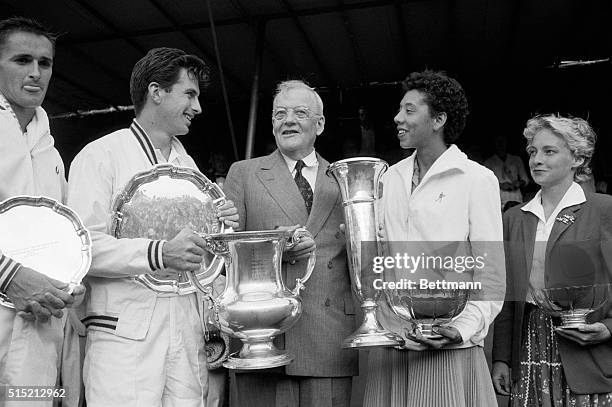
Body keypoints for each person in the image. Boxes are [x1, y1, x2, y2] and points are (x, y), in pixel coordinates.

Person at [67, 47, 239, 407]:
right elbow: (82, 248)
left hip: (186, 330)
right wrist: (160, 253)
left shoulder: (188, 166)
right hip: (125, 332)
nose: (198, 107)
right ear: (156, 92)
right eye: (189, 94)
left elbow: (201, 256)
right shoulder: (101, 155)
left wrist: (221, 230)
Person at [363, 70, 505, 407]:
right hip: (397, 343)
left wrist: (463, 327)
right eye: (400, 109)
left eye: (410, 110)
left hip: (452, 345)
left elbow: (492, 272)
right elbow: (379, 262)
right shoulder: (388, 178)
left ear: (439, 119)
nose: (398, 118)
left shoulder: (477, 179)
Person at [223, 80, 358, 407]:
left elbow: (363, 257)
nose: (289, 120)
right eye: (280, 114)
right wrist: (275, 248)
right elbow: (223, 254)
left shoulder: (345, 178)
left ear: (320, 124)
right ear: (271, 123)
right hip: (263, 335)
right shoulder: (243, 173)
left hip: (327, 335)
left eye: (300, 113)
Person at [492, 114, 612, 406]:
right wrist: (501, 358)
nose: (536, 160)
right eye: (533, 152)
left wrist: (609, 326)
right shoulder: (514, 218)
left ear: (576, 158)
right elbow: (510, 295)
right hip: (529, 345)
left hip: (589, 349)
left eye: (549, 151)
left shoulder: (603, 209)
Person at [0, 16, 86, 407]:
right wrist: (10, 276)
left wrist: (71, 280)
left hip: (40, 327)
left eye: (45, 63)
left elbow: (64, 235)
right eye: (22, 60)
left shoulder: (49, 148)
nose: (36, 73)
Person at [484, 134, 530, 208]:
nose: (500, 144)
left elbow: (525, 179)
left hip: (515, 196)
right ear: (494, 143)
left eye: (503, 141)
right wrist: (500, 185)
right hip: (498, 196)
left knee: (516, 216)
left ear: (507, 143)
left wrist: (519, 183)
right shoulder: (489, 162)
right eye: (498, 141)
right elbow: (486, 183)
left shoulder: (516, 159)